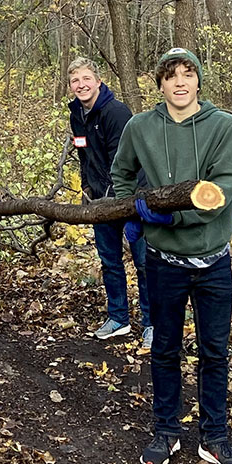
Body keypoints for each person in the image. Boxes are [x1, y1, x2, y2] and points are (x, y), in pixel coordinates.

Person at [110, 48, 232, 464]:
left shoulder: (224, 126)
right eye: (170, 76)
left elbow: (220, 189)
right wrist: (133, 212)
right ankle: (166, 430)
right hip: (164, 262)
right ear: (160, 84)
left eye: (188, 74)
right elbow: (121, 174)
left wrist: (173, 215)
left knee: (214, 351)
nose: (180, 83)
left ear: (198, 81)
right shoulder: (140, 127)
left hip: (213, 261)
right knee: (165, 348)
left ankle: (215, 437)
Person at [67, 58, 152, 347]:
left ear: (99, 82)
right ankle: (118, 319)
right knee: (109, 261)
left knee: (143, 262)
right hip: (99, 201)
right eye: (76, 81)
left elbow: (125, 161)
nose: (82, 85)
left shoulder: (117, 112)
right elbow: (83, 153)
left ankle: (151, 324)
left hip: (131, 197)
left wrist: (121, 203)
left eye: (86, 79)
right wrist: (87, 188)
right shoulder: (77, 114)